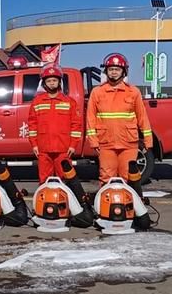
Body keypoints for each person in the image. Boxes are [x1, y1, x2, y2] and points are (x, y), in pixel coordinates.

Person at [86, 53, 153, 198]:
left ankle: (126, 207)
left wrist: (148, 140)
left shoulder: (133, 92)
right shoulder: (97, 92)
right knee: (106, 177)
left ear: (124, 72)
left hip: (128, 143)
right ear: (106, 71)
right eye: (111, 69)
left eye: (117, 69)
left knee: (127, 177)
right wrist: (93, 140)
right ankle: (105, 208)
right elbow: (90, 118)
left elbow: (142, 117)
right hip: (106, 143)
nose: (114, 72)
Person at [27, 63, 82, 183]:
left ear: (59, 82)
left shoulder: (69, 102)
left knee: (65, 179)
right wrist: (34, 145)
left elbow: (76, 126)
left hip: (63, 148)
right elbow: (32, 125)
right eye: (49, 80)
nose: (52, 83)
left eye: (54, 80)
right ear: (44, 83)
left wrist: (73, 145)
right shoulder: (37, 101)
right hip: (43, 149)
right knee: (44, 180)